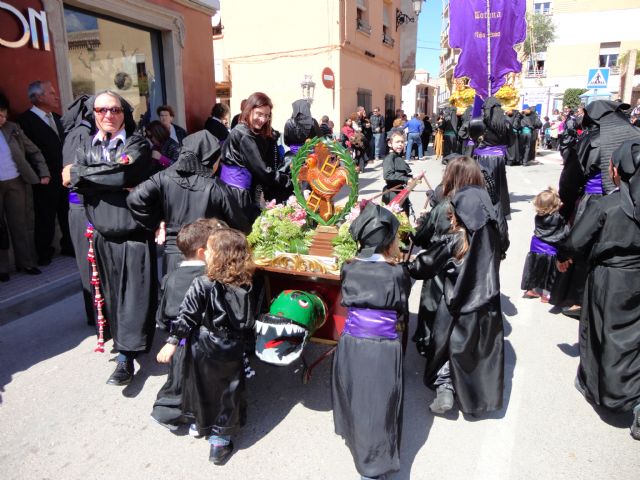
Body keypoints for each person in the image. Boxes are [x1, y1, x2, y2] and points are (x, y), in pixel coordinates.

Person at [62, 90, 157, 386]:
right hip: (102, 237)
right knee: (114, 297)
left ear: (123, 112)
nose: (107, 115)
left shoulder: (137, 143)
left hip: (134, 237)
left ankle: (126, 357)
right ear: (94, 114)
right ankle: (124, 344)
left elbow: (123, 174)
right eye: (101, 110)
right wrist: (102, 178)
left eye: (114, 110)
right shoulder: (86, 148)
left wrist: (82, 175)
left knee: (135, 298)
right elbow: (74, 182)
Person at [556, 140, 640, 441]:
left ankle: (601, 388)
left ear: (617, 170)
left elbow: (575, 241)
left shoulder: (608, 204)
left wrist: (563, 258)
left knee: (605, 335)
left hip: (610, 279)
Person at [408, 156, 505, 416]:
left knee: (447, 346)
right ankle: (477, 400)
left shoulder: (456, 239)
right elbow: (503, 248)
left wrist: (402, 266)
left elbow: (424, 264)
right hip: (487, 300)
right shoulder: (491, 228)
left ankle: (445, 389)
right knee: (477, 351)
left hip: (455, 299)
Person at [156, 228, 257, 463]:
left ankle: (200, 424)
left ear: (218, 257)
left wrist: (172, 342)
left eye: (209, 251)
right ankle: (219, 443)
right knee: (228, 392)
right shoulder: (246, 283)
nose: (206, 255)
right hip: (232, 348)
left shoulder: (202, 283)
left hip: (203, 346)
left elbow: (186, 316)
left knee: (201, 388)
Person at [332, 202, 411, 480]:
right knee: (380, 406)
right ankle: (373, 468)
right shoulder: (397, 272)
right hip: (382, 346)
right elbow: (402, 304)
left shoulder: (349, 267)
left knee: (358, 399)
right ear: (389, 243)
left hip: (352, 343)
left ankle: (365, 454)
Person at [128, 130, 251, 275]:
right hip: (205, 255)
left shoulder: (164, 177)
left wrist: (156, 222)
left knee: (173, 295)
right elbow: (241, 226)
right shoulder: (215, 186)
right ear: (209, 158)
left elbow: (134, 198)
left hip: (173, 255)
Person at [151, 218, 227, 429]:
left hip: (180, 343)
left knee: (179, 381)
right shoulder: (208, 280)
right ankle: (194, 418)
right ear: (203, 252)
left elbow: (163, 314)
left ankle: (169, 413)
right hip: (201, 343)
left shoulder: (171, 277)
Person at [17, 80, 72, 265]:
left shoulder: (57, 118)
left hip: (65, 175)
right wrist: (39, 175)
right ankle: (44, 253)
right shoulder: (24, 122)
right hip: (44, 179)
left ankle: (69, 246)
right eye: (51, 92)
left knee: (67, 213)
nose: (56, 96)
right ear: (39, 97)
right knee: (45, 216)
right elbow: (25, 152)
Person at [219, 92, 291, 223]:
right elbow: (262, 170)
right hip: (237, 194)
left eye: (267, 116)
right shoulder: (245, 135)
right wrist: (287, 180)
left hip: (232, 191)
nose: (263, 120)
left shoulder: (242, 130)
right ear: (249, 110)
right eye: (259, 114)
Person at [0, 93, 48, 281]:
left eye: (4, 115)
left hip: (16, 182)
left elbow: (34, 151)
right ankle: (2, 269)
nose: (2, 119)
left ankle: (26, 263)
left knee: (20, 224)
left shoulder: (14, 129)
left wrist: (43, 172)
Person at [520, 187, 569, 303]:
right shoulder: (558, 218)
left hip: (536, 245)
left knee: (534, 268)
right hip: (550, 248)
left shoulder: (538, 217)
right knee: (549, 273)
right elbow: (564, 231)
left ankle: (530, 289)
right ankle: (546, 295)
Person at [474, 96, 511, 218]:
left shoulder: (481, 123)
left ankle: (484, 208)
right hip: (499, 158)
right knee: (499, 184)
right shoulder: (506, 123)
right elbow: (511, 142)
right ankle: (500, 210)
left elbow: (474, 139)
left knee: (484, 183)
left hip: (484, 158)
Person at [382, 129, 412, 216]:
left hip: (400, 192)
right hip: (392, 194)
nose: (400, 144)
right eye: (397, 142)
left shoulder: (397, 157)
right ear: (390, 144)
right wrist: (406, 179)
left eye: (402, 142)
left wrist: (412, 177)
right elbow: (388, 175)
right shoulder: (389, 158)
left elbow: (400, 174)